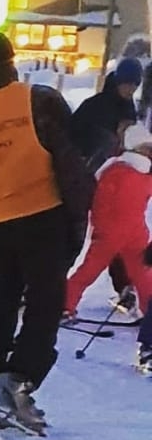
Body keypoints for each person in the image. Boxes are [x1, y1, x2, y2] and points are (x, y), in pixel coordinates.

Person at [0, 32, 91, 434]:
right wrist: (75, 222)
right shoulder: (41, 101)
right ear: (11, 64)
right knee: (44, 307)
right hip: (43, 217)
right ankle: (17, 381)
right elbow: (71, 165)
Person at [64, 124, 152, 365]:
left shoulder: (113, 169)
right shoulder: (139, 173)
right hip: (129, 231)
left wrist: (99, 228)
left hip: (116, 232)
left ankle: (65, 305)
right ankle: (148, 312)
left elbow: (99, 204)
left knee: (92, 270)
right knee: (141, 273)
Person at [71, 57, 141, 170]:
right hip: (88, 167)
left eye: (136, 84)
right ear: (119, 82)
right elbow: (75, 138)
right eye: (128, 83)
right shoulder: (94, 106)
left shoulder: (129, 110)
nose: (132, 88)